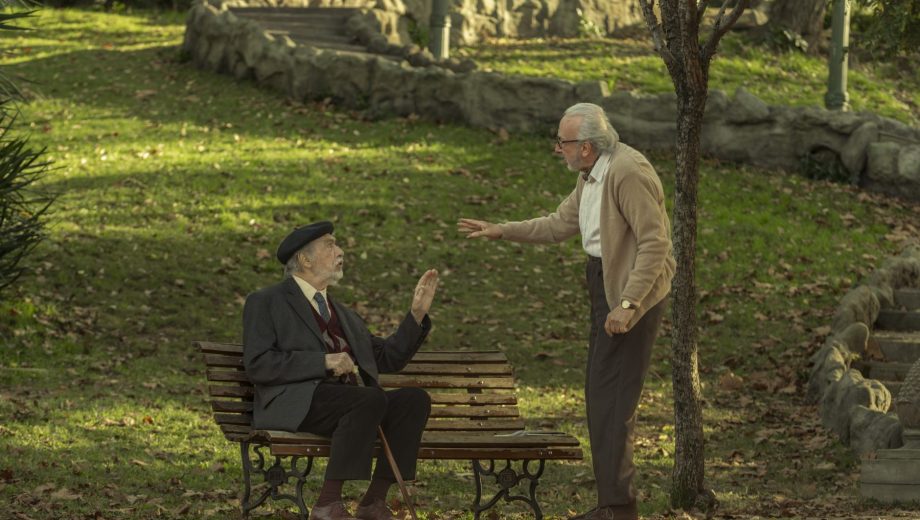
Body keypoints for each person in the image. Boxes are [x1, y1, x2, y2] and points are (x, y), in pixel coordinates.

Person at [458, 103, 674, 520]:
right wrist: (502, 230)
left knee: (613, 401)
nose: (558, 148)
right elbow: (558, 224)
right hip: (604, 286)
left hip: (633, 292)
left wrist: (628, 304)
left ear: (589, 147)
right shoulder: (589, 175)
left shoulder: (627, 173)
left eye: (564, 141)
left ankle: (618, 509)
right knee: (600, 398)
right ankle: (613, 504)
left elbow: (655, 243)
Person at [242, 221, 439, 520]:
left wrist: (416, 315)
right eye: (330, 245)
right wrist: (323, 361)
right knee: (368, 399)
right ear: (305, 259)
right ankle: (327, 503)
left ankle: (373, 501)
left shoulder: (343, 314)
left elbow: (386, 359)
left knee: (414, 400)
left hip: (349, 405)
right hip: (295, 401)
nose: (340, 251)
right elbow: (259, 364)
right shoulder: (267, 302)